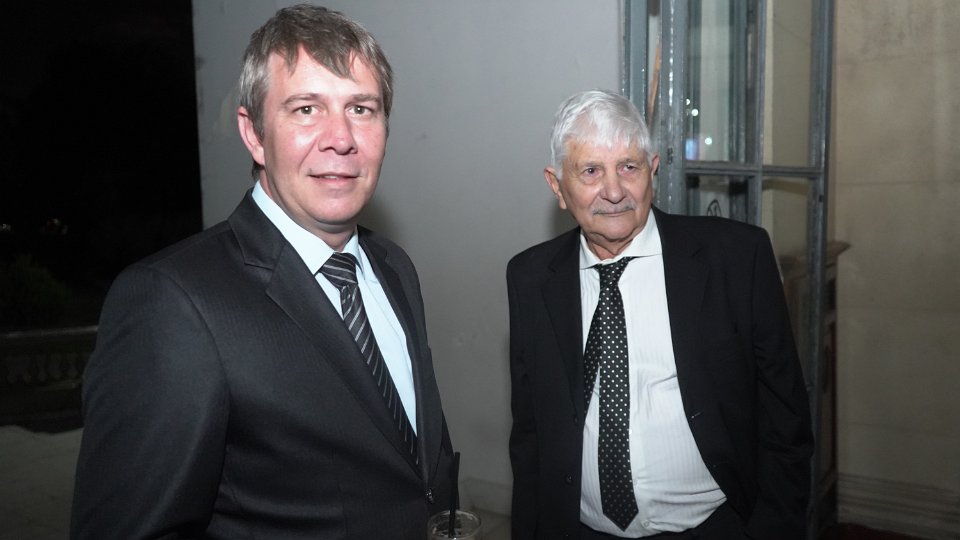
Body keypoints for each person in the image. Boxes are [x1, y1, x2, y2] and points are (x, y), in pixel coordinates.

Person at [71, 5, 454, 539]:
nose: (341, 137)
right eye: (306, 109)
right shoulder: (171, 303)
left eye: (361, 108)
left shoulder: (393, 266)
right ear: (253, 133)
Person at [507, 90, 813, 540]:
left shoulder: (735, 258)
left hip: (716, 528)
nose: (614, 191)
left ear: (652, 170)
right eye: (590, 171)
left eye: (628, 167)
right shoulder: (530, 278)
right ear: (557, 187)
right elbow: (530, 432)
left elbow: (785, 418)